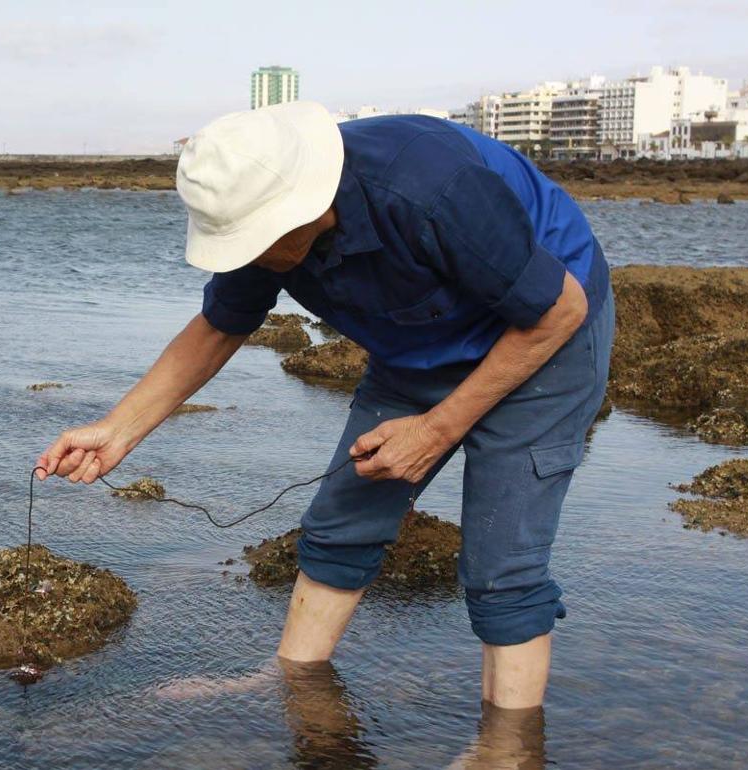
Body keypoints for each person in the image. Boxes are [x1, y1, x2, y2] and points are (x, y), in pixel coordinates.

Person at [36, 101, 613, 710]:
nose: (249, 255)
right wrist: (117, 430)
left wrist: (438, 429)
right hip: (414, 341)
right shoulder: (263, 225)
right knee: (340, 523)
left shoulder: (429, 185)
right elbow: (219, 326)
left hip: (546, 334)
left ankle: (509, 748)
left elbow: (558, 310)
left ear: (305, 204)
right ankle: (294, 683)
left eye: (256, 239)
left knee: (502, 566)